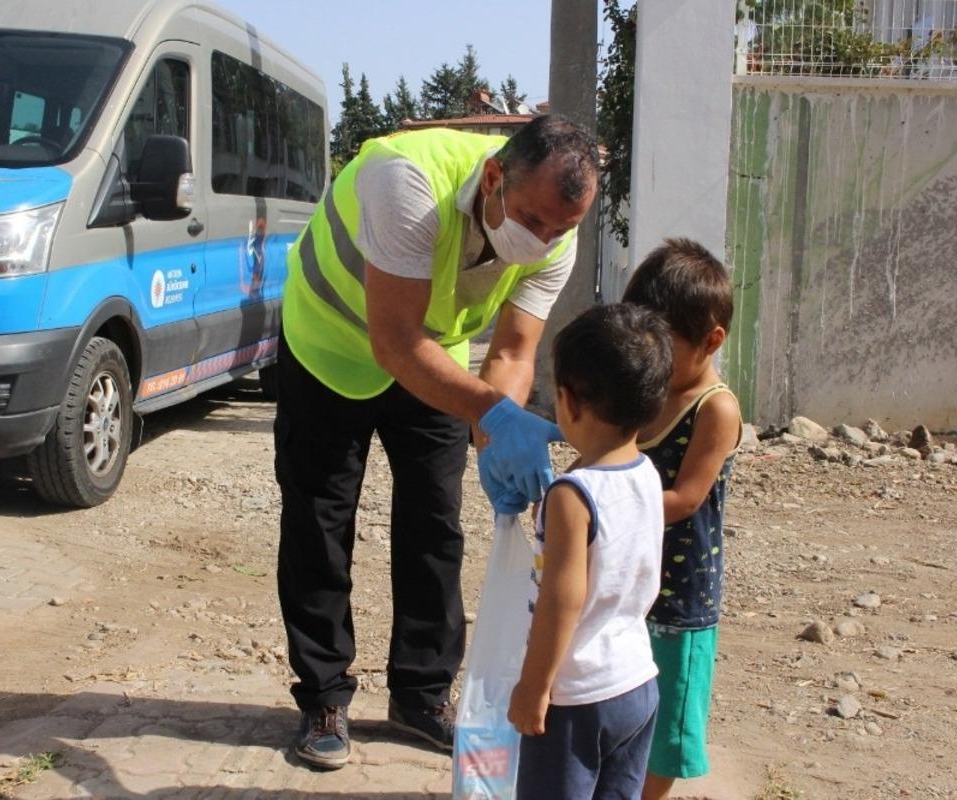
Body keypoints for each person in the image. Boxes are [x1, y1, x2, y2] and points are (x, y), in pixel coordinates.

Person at [274, 115, 600, 769]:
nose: (541, 242)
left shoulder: (553, 241)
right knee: (320, 518)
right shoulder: (406, 180)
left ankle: (420, 695)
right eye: (533, 220)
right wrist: (492, 414)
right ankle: (324, 697)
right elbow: (392, 340)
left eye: (559, 230)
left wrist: (493, 434)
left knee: (434, 521)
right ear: (493, 178)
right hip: (330, 342)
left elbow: (511, 351)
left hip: (433, 355)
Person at [508, 302, 672, 800]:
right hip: (637, 682)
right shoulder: (646, 474)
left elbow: (563, 601)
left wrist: (534, 687)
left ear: (568, 403)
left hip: (577, 697)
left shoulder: (571, 496)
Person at [621, 239, 742, 800]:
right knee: (623, 706)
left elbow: (688, 497)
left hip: (679, 597)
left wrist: (602, 501)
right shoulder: (648, 387)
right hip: (627, 587)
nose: (648, 355)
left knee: (666, 727)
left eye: (661, 343)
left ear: (710, 340)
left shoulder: (715, 408)